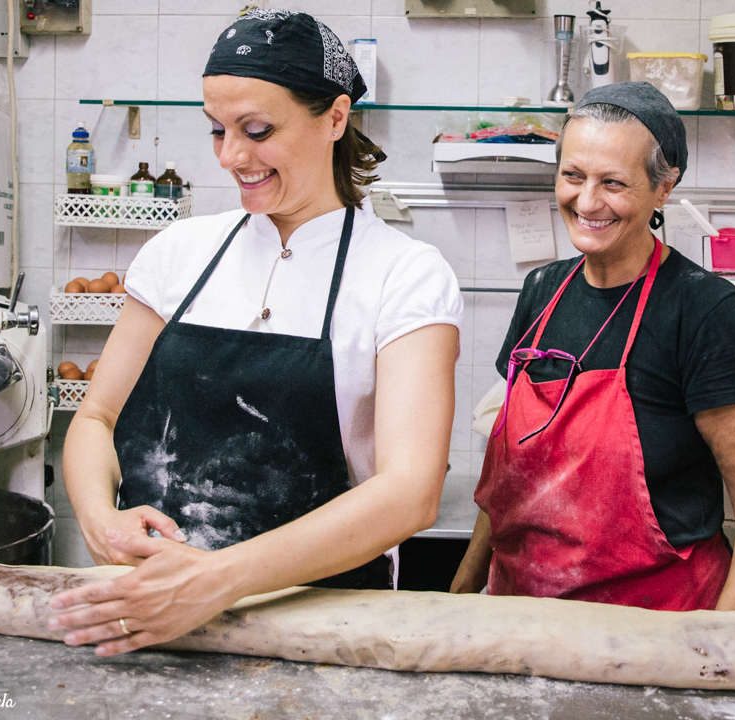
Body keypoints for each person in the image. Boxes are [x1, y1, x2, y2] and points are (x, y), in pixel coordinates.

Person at [50, 9, 462, 655]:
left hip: (322, 628)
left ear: (334, 118)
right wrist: (101, 524)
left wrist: (218, 578)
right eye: (217, 130)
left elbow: (411, 494)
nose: (232, 156)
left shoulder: (404, 275)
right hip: (146, 615)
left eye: (258, 129)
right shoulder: (178, 252)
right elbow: (96, 418)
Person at [450, 82, 735, 612]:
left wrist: (711, 656)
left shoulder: (705, 312)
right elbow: (507, 484)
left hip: (657, 625)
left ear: (663, 188)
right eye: (572, 176)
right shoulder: (541, 291)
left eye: (614, 183)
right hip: (522, 614)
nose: (588, 202)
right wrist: (460, 597)